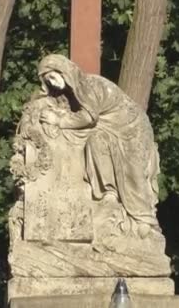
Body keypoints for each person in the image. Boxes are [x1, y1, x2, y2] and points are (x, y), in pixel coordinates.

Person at [35, 54, 161, 237]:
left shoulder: (89, 86)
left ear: (65, 72)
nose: (53, 84)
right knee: (96, 143)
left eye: (53, 77)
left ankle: (144, 219)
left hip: (131, 127)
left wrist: (59, 120)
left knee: (133, 172)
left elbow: (88, 117)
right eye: (48, 81)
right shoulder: (70, 94)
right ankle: (108, 194)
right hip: (107, 130)